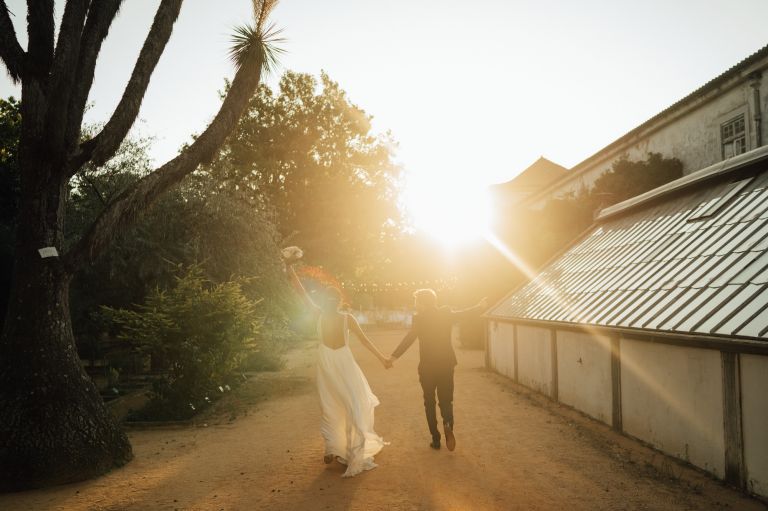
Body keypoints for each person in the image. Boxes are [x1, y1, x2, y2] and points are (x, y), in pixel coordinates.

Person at [286, 260, 391, 477]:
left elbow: (301, 292)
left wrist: (382, 358)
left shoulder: (330, 316)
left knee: (336, 405)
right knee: (341, 405)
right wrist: (382, 359)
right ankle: (334, 448)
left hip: (334, 362)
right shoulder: (336, 316)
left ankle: (336, 448)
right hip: (337, 362)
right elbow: (301, 291)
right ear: (336, 301)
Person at [389, 289, 486, 451]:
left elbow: (409, 339)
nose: (415, 305)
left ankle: (435, 438)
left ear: (423, 303)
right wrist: (480, 307)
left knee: (429, 402)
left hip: (427, 367)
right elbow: (463, 314)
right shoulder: (445, 313)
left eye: (416, 302)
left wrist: (392, 358)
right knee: (446, 400)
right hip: (446, 364)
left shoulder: (418, 319)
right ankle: (447, 424)